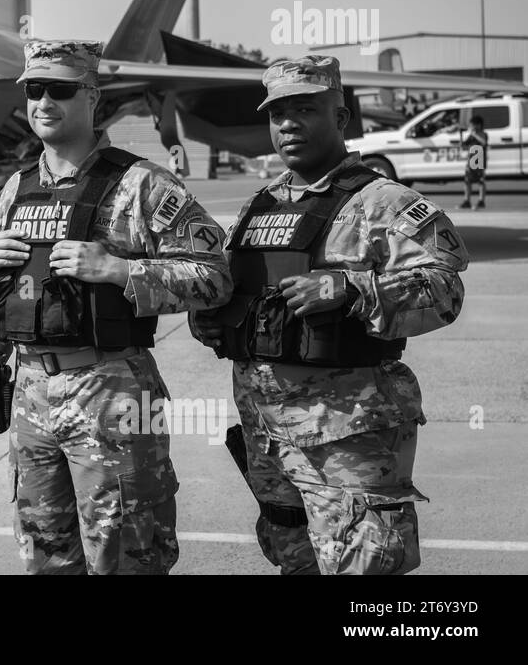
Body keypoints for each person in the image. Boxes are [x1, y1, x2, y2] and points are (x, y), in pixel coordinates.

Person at [190, 56, 469, 575]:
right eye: (277, 114)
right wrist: (211, 319)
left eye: (304, 110)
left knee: (361, 572)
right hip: (267, 433)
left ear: (340, 119)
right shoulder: (260, 207)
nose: (288, 124)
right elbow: (234, 294)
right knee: (293, 559)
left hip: (347, 435)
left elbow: (445, 290)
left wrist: (351, 288)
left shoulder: (383, 203)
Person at [0, 39, 232, 575]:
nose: (44, 102)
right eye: (34, 90)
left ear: (92, 97)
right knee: (46, 556)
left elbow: (214, 277)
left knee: (126, 558)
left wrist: (119, 270)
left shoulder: (140, 184)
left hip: (113, 392)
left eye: (61, 90)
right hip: (30, 393)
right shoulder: (13, 192)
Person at [460, 115, 487, 209]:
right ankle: (466, 200)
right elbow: (463, 145)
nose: (471, 127)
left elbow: (483, 143)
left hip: (479, 160)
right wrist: (463, 137)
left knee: (481, 181)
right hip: (471, 160)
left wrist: (474, 134)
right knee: (467, 181)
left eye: (473, 125)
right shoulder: (471, 136)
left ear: (478, 125)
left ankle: (481, 200)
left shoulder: (483, 134)